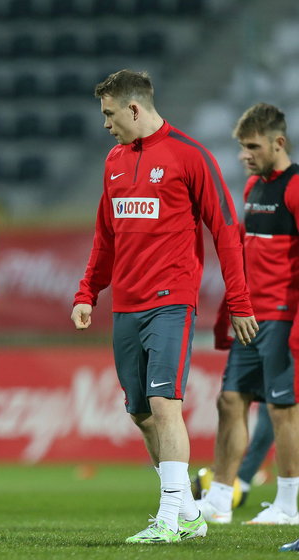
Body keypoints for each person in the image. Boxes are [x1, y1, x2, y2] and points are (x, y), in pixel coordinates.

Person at [71, 69, 258, 544]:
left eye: (110, 115)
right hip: (126, 307)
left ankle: (170, 518)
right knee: (140, 412)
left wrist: (238, 302)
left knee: (164, 402)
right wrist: (86, 292)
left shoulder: (190, 156)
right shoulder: (113, 161)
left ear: (134, 108)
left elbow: (226, 230)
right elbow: (104, 238)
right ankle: (190, 511)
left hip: (171, 301)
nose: (107, 125)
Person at [197, 103, 299, 526]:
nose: (244, 155)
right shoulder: (253, 187)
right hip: (251, 317)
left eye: (252, 146)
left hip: (282, 317)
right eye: (241, 147)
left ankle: (289, 505)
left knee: (282, 409)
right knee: (230, 400)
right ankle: (221, 496)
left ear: (279, 142)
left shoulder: (295, 187)